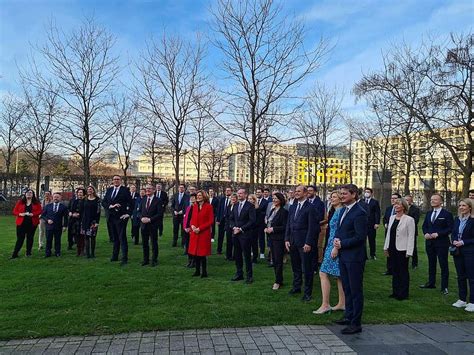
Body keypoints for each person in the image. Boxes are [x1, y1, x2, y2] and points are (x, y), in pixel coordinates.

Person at [333, 184, 368, 335]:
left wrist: (342, 243)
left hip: (354, 257)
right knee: (347, 288)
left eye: (345, 194)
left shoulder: (359, 212)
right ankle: (348, 316)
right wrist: (336, 242)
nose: (341, 196)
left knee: (355, 290)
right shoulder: (343, 211)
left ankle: (356, 323)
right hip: (344, 255)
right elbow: (341, 230)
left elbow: (360, 237)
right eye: (340, 193)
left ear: (354, 195)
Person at [285, 185, 319, 302]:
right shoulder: (293, 206)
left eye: (299, 191)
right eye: (295, 191)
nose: (296, 193)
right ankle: (296, 287)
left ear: (305, 193)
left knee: (307, 269)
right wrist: (287, 239)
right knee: (296, 267)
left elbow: (312, 227)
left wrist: (308, 242)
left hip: (304, 243)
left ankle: (307, 292)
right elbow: (289, 224)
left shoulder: (311, 207)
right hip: (293, 242)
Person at [314, 191, 346, 314]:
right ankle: (341, 303)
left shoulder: (340, 212)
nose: (331, 199)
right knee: (339, 276)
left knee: (323, 273)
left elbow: (341, 231)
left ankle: (325, 304)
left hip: (335, 246)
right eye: (330, 197)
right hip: (331, 244)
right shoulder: (336, 211)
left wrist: (335, 248)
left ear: (340, 199)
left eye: (334, 197)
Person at [420, 193, 454, 295]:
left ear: (441, 202)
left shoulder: (447, 214)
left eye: (435, 199)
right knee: (431, 263)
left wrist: (438, 234)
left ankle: (444, 287)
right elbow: (424, 226)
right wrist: (425, 233)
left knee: (443, 264)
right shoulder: (429, 213)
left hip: (442, 243)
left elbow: (450, 228)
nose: (432, 201)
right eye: (431, 199)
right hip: (429, 243)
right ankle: (431, 283)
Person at [383, 198, 415, 300]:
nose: (396, 206)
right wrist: (386, 247)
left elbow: (411, 236)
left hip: (402, 249)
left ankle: (403, 293)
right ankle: (395, 291)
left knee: (403, 271)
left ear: (403, 207)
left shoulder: (409, 220)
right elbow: (388, 233)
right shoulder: (392, 218)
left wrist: (409, 251)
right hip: (392, 247)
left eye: (398, 204)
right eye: (395, 204)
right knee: (394, 270)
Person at [101, 175, 132, 266]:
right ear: (112, 181)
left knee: (122, 237)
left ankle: (124, 258)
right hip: (111, 217)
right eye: (114, 179)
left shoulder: (125, 190)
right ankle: (115, 256)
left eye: (118, 179)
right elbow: (104, 202)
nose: (116, 181)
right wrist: (110, 206)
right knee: (115, 238)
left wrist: (128, 214)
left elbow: (131, 203)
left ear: (120, 181)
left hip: (121, 217)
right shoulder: (109, 190)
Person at [450, 199, 474, 312]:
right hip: (457, 251)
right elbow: (454, 232)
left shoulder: (473, 220)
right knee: (460, 276)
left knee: (471, 276)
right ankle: (462, 299)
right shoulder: (457, 219)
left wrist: (463, 242)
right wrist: (454, 240)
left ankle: (473, 302)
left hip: (469, 251)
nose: (461, 207)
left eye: (464, 205)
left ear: (470, 207)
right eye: (460, 205)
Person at [231, 188, 256, 284]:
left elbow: (252, 221)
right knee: (237, 255)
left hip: (245, 234)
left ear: (245, 195)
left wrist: (241, 229)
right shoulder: (235, 205)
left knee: (246, 256)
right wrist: (234, 227)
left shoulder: (250, 206)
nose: (239, 195)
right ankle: (239, 273)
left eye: (241, 193)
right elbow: (231, 218)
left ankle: (249, 276)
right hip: (235, 234)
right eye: (238, 193)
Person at [264, 192, 288, 290]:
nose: (274, 200)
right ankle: (279, 279)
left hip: (279, 239)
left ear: (280, 200)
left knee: (278, 260)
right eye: (273, 198)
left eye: (276, 198)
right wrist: (267, 228)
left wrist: (273, 229)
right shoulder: (272, 210)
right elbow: (269, 222)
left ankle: (278, 281)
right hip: (271, 238)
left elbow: (284, 226)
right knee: (274, 259)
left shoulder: (284, 212)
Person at [189, 190, 214, 278]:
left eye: (200, 195)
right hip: (195, 233)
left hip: (203, 233)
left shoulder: (209, 207)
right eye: (197, 195)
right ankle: (197, 271)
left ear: (204, 196)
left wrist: (200, 228)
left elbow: (210, 221)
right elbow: (192, 218)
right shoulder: (195, 206)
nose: (198, 197)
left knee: (202, 254)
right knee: (195, 253)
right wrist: (192, 226)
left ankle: (204, 272)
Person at [11, 190, 42, 259]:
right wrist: (20, 214)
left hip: (32, 223)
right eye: (27, 193)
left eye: (31, 193)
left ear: (33, 195)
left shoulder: (36, 203)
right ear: (25, 194)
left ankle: (28, 253)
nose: (29, 194)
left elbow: (40, 211)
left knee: (30, 238)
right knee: (20, 239)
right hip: (21, 223)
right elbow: (14, 211)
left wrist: (33, 214)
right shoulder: (20, 202)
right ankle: (15, 254)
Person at [140, 185, 163, 267]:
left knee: (153, 243)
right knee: (144, 243)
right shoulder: (143, 199)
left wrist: (150, 219)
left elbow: (160, 214)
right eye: (146, 189)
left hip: (153, 225)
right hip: (143, 225)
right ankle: (145, 259)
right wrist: (141, 218)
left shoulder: (158, 200)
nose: (147, 190)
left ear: (154, 190)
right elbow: (139, 211)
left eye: (149, 189)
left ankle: (154, 260)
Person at [41, 192, 69, 257]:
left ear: (60, 198)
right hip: (49, 226)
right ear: (52, 197)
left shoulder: (64, 207)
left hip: (58, 226)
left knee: (57, 240)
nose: (56, 198)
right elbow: (43, 215)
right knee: (48, 240)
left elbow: (65, 217)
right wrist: (47, 220)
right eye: (55, 197)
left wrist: (65, 226)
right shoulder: (47, 206)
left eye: (57, 197)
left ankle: (57, 252)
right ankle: (48, 253)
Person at [383, 193, 402, 275]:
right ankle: (389, 269)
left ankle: (397, 268)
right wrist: (385, 224)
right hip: (388, 233)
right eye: (392, 198)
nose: (393, 200)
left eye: (395, 198)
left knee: (397, 251)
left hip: (398, 234)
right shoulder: (388, 208)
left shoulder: (401, 210)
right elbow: (384, 218)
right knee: (389, 250)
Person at [307, 185, 326, 268]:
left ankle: (316, 263)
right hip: (306, 228)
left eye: (310, 190)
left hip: (316, 227)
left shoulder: (320, 203)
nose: (308, 192)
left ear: (315, 192)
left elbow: (320, 216)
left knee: (316, 246)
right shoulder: (306, 201)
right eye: (307, 190)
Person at [360, 188, 381, 260]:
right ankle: (364, 255)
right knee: (363, 240)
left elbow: (377, 213)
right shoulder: (361, 201)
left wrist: (377, 223)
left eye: (368, 192)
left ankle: (373, 254)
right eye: (365, 192)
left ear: (371, 193)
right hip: (363, 224)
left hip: (371, 224)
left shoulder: (375, 202)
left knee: (372, 239)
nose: (366, 193)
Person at [81, 185, 101, 259]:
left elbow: (98, 212)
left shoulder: (97, 200)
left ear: (93, 190)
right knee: (86, 237)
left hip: (93, 221)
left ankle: (92, 253)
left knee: (93, 237)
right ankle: (87, 254)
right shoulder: (84, 199)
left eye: (91, 189)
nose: (89, 190)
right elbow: (82, 210)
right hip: (85, 220)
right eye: (88, 189)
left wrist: (96, 222)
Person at [405, 195, 421, 269]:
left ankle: (414, 263)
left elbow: (415, 220)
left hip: (412, 230)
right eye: (405, 200)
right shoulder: (402, 208)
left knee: (413, 247)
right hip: (402, 231)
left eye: (408, 200)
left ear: (411, 201)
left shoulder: (415, 209)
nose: (406, 201)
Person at [69, 188, 86, 256]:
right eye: (78, 192)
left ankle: (82, 250)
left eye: (81, 192)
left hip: (82, 220)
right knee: (76, 236)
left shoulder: (85, 201)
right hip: (74, 221)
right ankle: (78, 250)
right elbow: (71, 209)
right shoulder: (75, 201)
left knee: (82, 236)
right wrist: (72, 214)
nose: (79, 194)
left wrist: (79, 214)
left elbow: (85, 211)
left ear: (83, 193)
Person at [216, 187, 232, 255]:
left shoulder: (233, 200)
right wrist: (217, 219)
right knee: (220, 236)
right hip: (221, 220)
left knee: (229, 237)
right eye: (226, 190)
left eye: (229, 190)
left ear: (231, 191)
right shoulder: (222, 199)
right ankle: (219, 250)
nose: (227, 192)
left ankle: (229, 252)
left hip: (229, 221)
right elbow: (219, 209)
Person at [183, 193, 197, 267]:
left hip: (193, 230)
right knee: (188, 246)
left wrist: (190, 228)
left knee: (193, 247)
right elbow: (186, 219)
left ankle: (194, 261)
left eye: (193, 198)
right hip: (187, 230)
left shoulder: (197, 208)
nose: (191, 199)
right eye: (191, 198)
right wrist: (185, 227)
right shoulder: (189, 207)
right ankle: (190, 260)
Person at [256, 188, 269, 260]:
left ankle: (262, 253)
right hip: (253, 223)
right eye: (257, 192)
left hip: (261, 223)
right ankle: (253, 251)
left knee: (261, 239)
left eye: (259, 192)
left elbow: (265, 213)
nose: (258, 193)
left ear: (262, 193)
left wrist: (258, 210)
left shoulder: (265, 202)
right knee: (253, 238)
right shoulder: (253, 201)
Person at [225, 193, 238, 261]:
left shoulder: (237, 206)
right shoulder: (228, 206)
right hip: (228, 227)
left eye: (234, 198)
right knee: (228, 241)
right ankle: (228, 255)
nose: (233, 199)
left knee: (235, 242)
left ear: (236, 199)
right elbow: (226, 216)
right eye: (232, 198)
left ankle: (235, 256)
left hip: (235, 227)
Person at [248, 194, 260, 263]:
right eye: (248, 199)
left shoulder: (257, 209)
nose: (249, 200)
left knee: (254, 244)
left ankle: (255, 258)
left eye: (251, 199)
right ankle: (248, 256)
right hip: (247, 228)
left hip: (254, 229)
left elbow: (257, 220)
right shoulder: (247, 207)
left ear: (254, 200)